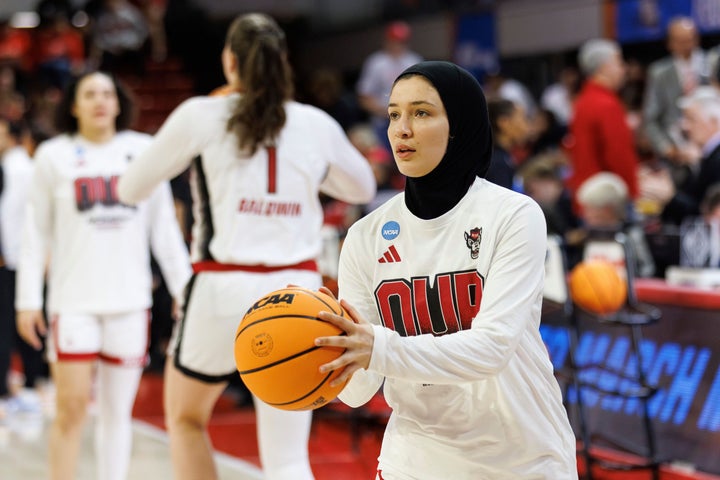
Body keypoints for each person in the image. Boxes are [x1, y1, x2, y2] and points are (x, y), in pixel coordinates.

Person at [117, 13, 376, 480]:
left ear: (229, 61)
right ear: (284, 64)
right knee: (288, 458)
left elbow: (131, 188)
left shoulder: (202, 114)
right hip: (297, 292)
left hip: (220, 286)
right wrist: (315, 171)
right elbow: (360, 187)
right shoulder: (313, 122)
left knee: (187, 420)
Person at [314, 61, 577, 479]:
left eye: (421, 112)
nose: (402, 128)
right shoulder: (365, 237)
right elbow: (359, 392)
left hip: (520, 460)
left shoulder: (514, 215)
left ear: (459, 124)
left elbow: (491, 349)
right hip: (414, 461)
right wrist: (322, 354)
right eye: (394, 114)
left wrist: (376, 348)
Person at [15, 71, 191, 480]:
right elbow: (35, 232)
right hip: (73, 303)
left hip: (130, 304)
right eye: (90, 94)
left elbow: (164, 229)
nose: (99, 101)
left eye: (107, 93)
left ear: (119, 102)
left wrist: (185, 288)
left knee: (117, 415)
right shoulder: (53, 156)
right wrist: (27, 300)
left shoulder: (143, 151)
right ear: (73, 105)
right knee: (71, 409)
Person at [566, 38, 640, 214]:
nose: (624, 69)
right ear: (603, 67)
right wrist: (632, 193)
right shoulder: (606, 104)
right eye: (619, 62)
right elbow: (618, 155)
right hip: (606, 204)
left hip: (588, 197)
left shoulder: (584, 101)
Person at [639, 85, 720, 226]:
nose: (685, 126)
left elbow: (708, 214)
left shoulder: (717, 159)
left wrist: (670, 197)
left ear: (713, 122)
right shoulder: (706, 156)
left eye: (691, 119)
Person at [642, 16, 709, 166]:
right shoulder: (659, 73)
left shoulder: (711, 64)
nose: (686, 45)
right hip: (675, 153)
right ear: (670, 43)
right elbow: (651, 118)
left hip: (709, 145)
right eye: (680, 41)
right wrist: (667, 148)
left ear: (696, 39)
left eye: (689, 39)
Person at [356, 20, 422, 154]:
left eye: (401, 41)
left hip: (410, 121)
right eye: (394, 40)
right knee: (384, 159)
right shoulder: (376, 62)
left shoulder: (414, 61)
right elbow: (364, 97)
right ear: (387, 40)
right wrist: (388, 112)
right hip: (382, 122)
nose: (397, 45)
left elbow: (422, 93)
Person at [485, 97, 530, 190]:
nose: (527, 128)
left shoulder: (504, 158)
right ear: (504, 122)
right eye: (523, 119)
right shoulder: (496, 163)